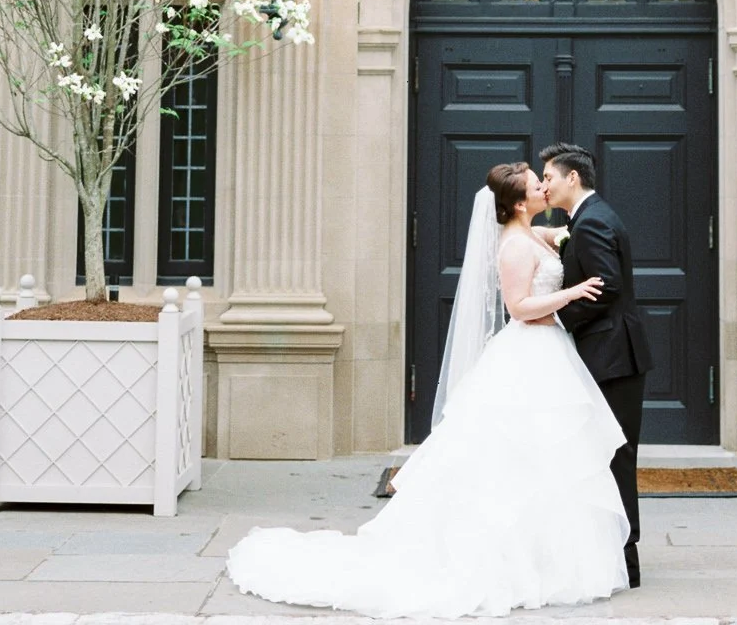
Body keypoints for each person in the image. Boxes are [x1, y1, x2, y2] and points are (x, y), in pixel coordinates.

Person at [226, 163, 629, 617]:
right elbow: (518, 308)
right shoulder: (515, 246)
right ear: (519, 203)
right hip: (529, 350)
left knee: (548, 458)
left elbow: (560, 238)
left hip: (550, 355)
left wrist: (569, 233)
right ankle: (504, 559)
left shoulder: (536, 233)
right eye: (538, 184)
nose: (545, 187)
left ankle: (549, 555)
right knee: (515, 456)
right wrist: (571, 295)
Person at [539, 142, 653, 589]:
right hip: (605, 354)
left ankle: (627, 557)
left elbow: (606, 285)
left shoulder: (593, 221)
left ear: (572, 178)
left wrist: (559, 319)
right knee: (601, 455)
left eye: (549, 176)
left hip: (614, 356)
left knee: (616, 456)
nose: (545, 184)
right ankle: (606, 551)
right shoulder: (584, 219)